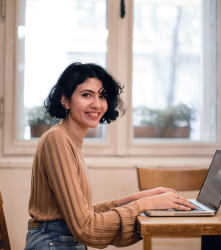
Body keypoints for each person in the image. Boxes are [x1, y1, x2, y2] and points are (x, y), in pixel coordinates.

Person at [24, 62, 196, 250]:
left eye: (102, 95)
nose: (97, 104)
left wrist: (141, 198)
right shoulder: (57, 140)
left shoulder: (69, 140)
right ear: (65, 100)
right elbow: (86, 228)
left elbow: (84, 214)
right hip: (53, 244)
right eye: (86, 95)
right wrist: (147, 204)